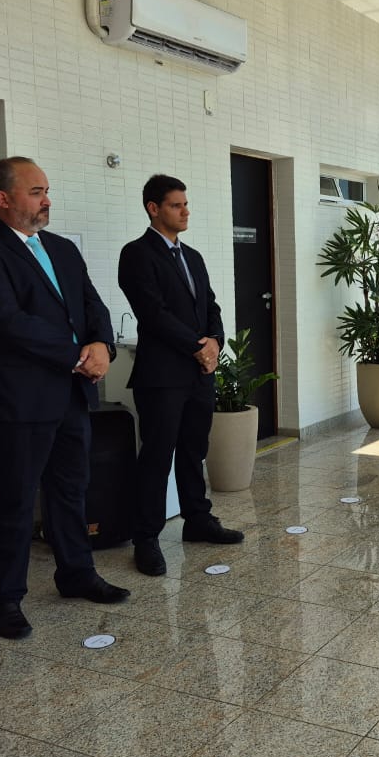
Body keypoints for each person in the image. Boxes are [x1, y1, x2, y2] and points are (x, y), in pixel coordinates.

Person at [0, 156, 128, 640]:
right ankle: (3, 597)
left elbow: (91, 303)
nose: (47, 200)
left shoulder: (62, 249)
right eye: (36, 192)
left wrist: (102, 344)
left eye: (46, 190)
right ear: (3, 199)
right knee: (12, 499)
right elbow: (7, 321)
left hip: (70, 394)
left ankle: (76, 573)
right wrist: (77, 356)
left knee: (71, 488)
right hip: (17, 399)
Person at [117, 175, 243, 575]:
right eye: (176, 205)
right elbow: (153, 314)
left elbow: (211, 307)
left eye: (186, 204)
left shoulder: (193, 256)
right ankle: (146, 538)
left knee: (194, 449)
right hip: (162, 376)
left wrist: (215, 343)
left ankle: (197, 520)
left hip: (198, 374)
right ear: (153, 208)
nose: (185, 211)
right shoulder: (136, 254)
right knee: (157, 456)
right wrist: (196, 346)